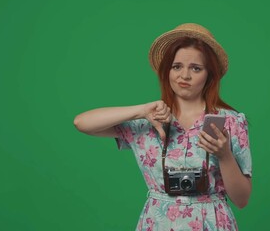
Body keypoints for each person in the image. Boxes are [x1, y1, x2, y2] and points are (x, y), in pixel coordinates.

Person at [74, 23, 252, 230]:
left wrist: (224, 155)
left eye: (196, 68)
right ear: (166, 71)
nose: (184, 76)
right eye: (177, 66)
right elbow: (82, 123)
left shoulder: (229, 122)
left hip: (213, 222)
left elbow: (242, 200)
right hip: (159, 222)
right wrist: (141, 110)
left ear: (209, 75)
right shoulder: (149, 119)